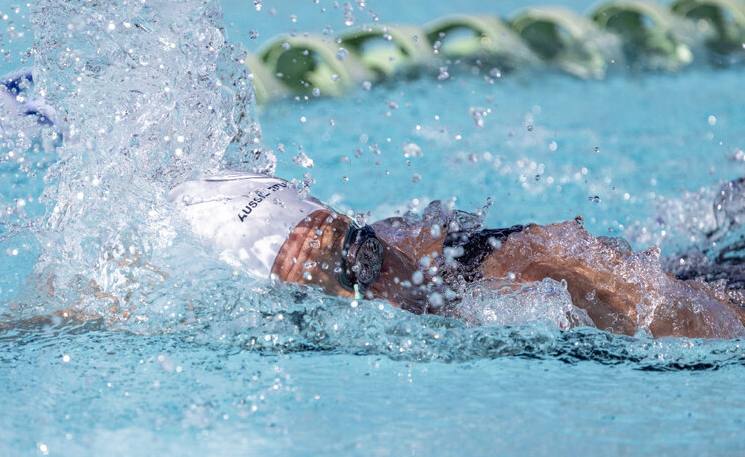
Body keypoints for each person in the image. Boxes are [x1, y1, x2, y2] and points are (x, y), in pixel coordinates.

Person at [168, 172, 745, 340]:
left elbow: (709, 321)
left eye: (363, 245)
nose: (379, 275)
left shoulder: (483, 264)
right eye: (352, 274)